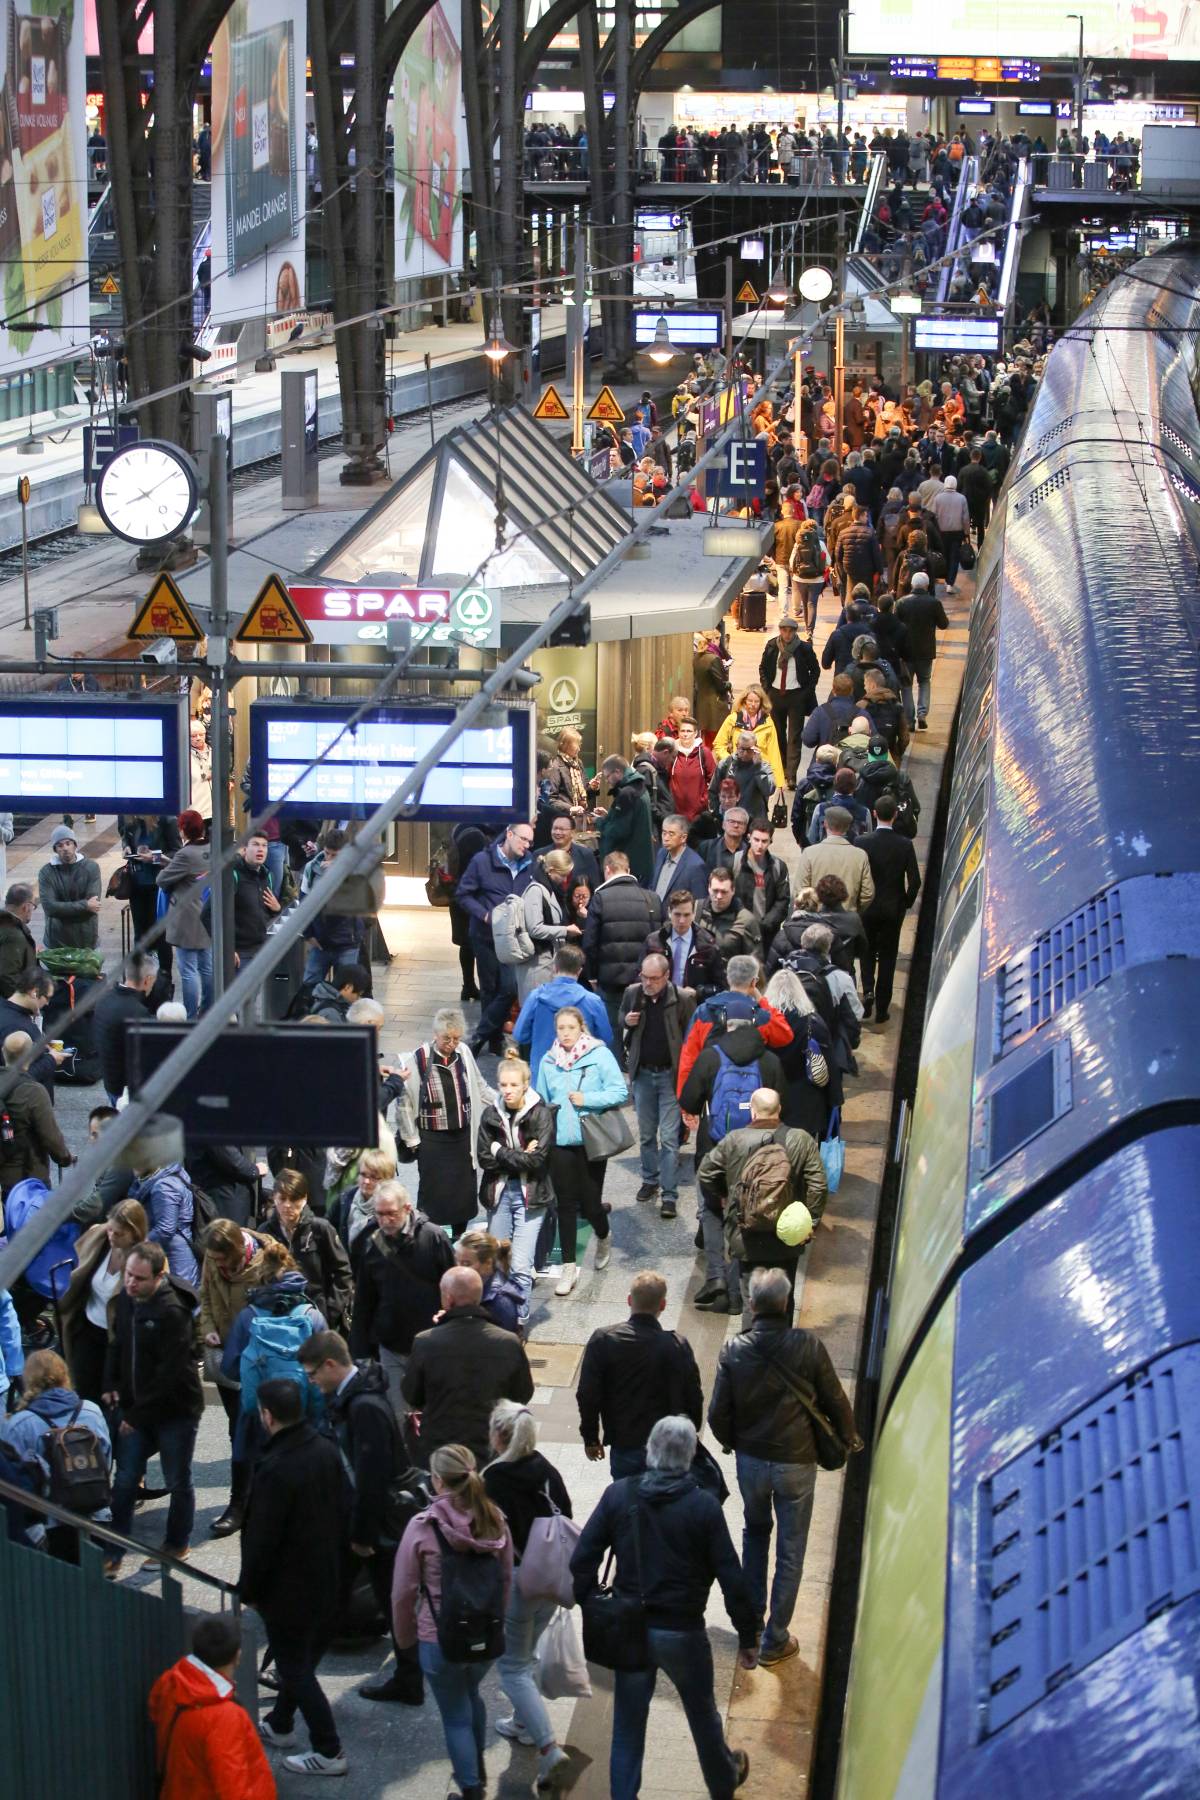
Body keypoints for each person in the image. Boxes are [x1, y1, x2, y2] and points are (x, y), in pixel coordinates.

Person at [571, 1415, 758, 1800]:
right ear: (690, 1456)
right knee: (703, 1715)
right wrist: (748, 1634)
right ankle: (723, 1783)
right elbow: (731, 1577)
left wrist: (589, 1599)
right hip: (683, 1632)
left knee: (627, 1725)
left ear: (650, 1451)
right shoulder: (704, 1507)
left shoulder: (620, 1495)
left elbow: (581, 1558)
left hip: (630, 1629)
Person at [708, 1266, 859, 1666]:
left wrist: (734, 1443)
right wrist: (850, 1436)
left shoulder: (734, 1350)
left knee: (755, 1534)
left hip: (752, 1464)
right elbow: (835, 1399)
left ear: (753, 1304)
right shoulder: (807, 1346)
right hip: (797, 1463)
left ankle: (752, 1624)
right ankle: (776, 1641)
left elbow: (717, 1414)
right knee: (791, 1552)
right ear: (786, 1303)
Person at [299, 1329, 424, 1705]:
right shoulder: (362, 1397)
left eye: (312, 1373)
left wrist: (363, 1533)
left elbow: (372, 1474)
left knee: (380, 1600)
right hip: (369, 1521)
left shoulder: (362, 1406)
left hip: (373, 1525)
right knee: (380, 1600)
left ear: (331, 1365)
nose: (311, 1382)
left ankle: (297, 1674)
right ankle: (406, 1676)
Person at [239, 1377, 351, 1779]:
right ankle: (281, 1723)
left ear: (267, 1416)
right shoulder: (325, 1448)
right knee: (298, 1660)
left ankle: (329, 1748)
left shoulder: (276, 1467)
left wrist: (248, 1589)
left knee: (293, 1667)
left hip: (288, 1588)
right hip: (327, 1577)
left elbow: (261, 1538)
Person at [392, 1442, 514, 1800]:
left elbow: (402, 1592)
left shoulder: (422, 1526)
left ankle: (471, 1789)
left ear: (438, 1481)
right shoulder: (495, 1519)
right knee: (472, 1696)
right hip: (486, 1636)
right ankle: (476, 1772)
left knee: (455, 1716)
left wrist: (405, 1639)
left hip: (438, 1637)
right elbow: (506, 1579)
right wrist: (497, 1622)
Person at [483, 1401, 573, 1786]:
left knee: (512, 1667)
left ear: (498, 1436)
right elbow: (566, 1513)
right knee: (528, 1653)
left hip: (517, 1580)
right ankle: (522, 1722)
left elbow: (483, 1537)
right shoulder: (547, 1470)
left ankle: (549, 1748)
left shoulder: (492, 1479)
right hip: (551, 1578)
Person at [103, 1241, 203, 1575]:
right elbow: (117, 1344)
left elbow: (169, 1375)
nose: (130, 1283)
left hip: (175, 1410)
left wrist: (135, 1416)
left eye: (139, 1278)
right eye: (128, 1275)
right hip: (137, 1406)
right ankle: (113, 1548)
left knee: (178, 1480)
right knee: (126, 1478)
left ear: (159, 1277)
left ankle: (177, 1543)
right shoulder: (127, 1300)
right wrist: (111, 1384)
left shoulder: (172, 1311)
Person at [697, 1087, 827, 1324]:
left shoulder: (734, 1140)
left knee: (752, 1301)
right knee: (784, 1299)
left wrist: (724, 1196)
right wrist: (811, 1222)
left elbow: (706, 1172)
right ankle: (782, 1351)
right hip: (787, 1235)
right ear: (779, 1109)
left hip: (746, 1233)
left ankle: (752, 1350)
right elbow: (818, 1185)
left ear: (753, 1112)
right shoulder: (800, 1139)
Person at [402, 1266, 534, 1465]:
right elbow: (523, 1394)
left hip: (442, 1454)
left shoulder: (426, 1342)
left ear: (448, 1298)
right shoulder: (508, 1342)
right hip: (491, 1451)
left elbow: (412, 1395)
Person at [577, 1271, 703, 1478]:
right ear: (662, 1305)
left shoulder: (603, 1340)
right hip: (668, 1445)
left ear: (629, 1300)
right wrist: (691, 1433)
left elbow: (587, 1394)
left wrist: (590, 1438)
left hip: (624, 1445)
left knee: (627, 1504)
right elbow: (694, 1395)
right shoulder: (677, 1345)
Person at [535, 1005, 625, 1294]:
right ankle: (569, 1268)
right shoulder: (549, 1061)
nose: (565, 1034)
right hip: (559, 1144)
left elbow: (619, 1091)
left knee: (590, 1204)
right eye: (560, 1028)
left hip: (590, 1140)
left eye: (570, 1028)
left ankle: (604, 1234)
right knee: (565, 1205)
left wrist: (588, 1098)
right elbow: (541, 1101)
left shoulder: (599, 1055)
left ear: (581, 1028)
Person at [350, 1182, 455, 1424]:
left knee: (433, 1418)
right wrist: (360, 1353)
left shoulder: (433, 1237)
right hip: (391, 1348)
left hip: (430, 1346)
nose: (385, 1220)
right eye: (380, 1214)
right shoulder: (372, 1244)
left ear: (407, 1208)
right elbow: (364, 1302)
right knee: (400, 1420)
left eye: (391, 1213)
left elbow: (452, 1284)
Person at [148, 1614, 275, 1800]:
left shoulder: (171, 1681)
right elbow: (234, 1787)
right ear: (237, 1655)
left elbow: (154, 1710)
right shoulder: (225, 1717)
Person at [0, 1348, 112, 1557]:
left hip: (51, 1524)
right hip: (97, 1516)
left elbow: (13, 1482)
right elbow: (105, 1458)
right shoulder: (91, 1411)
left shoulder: (19, 1424)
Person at [394, 1008, 495, 1233]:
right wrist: (412, 1141)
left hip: (462, 1137)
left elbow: (479, 1086)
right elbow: (405, 1104)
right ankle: (430, 1238)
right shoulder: (418, 1058)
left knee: (463, 1192)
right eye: (446, 1038)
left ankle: (459, 1237)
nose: (451, 1043)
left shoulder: (464, 1053)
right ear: (435, 1035)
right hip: (432, 1141)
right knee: (433, 1193)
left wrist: (502, 1102)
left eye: (456, 1038)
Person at [476, 1052, 555, 1322]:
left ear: (525, 1084)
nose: (507, 1091)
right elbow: (484, 1158)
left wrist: (500, 1150)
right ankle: (500, 1316)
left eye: (513, 1085)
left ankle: (518, 1320)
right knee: (497, 1262)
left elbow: (537, 1161)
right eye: (503, 1085)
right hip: (498, 1195)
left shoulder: (541, 1114)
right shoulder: (490, 1114)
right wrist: (518, 1153)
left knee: (520, 1264)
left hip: (531, 1196)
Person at [452, 821, 537, 1056]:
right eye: (523, 839)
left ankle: (479, 1037)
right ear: (509, 835)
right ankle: (495, 1038)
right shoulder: (482, 861)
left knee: (509, 987)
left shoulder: (529, 863)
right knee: (490, 987)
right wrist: (485, 915)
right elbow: (463, 894)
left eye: (530, 841)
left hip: (513, 937)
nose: (527, 845)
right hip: (485, 935)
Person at [622, 955, 695, 1221]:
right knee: (645, 1135)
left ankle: (669, 1194)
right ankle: (649, 1180)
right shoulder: (633, 993)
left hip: (669, 1077)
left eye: (653, 978)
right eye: (644, 977)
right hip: (643, 1074)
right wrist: (626, 1022)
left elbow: (692, 1036)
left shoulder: (683, 999)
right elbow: (621, 1018)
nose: (647, 983)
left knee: (669, 1138)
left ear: (666, 977)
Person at [58, 1197, 149, 1404]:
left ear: (134, 1233)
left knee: (111, 1401)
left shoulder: (145, 1259)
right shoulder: (99, 1239)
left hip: (116, 1340)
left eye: (119, 1233)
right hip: (87, 1330)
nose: (112, 1236)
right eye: (110, 1229)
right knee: (82, 1395)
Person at [581, 851, 663, 1048]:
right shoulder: (652, 898)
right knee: (644, 1031)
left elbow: (590, 943)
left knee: (611, 1034)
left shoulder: (600, 898)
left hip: (610, 981)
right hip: (645, 979)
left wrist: (592, 976)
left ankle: (616, 1073)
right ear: (628, 870)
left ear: (607, 870)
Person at [260, 1167, 352, 1333]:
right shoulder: (265, 1232)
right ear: (274, 1198)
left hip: (316, 1315)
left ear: (304, 1199)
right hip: (278, 1318)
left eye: (294, 1199)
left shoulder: (320, 1229)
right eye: (283, 1199)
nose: (288, 1205)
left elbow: (343, 1273)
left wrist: (330, 1313)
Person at [859, 793, 922, 1024]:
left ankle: (867, 991)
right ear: (895, 815)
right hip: (892, 911)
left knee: (866, 952)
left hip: (867, 908)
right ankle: (883, 1008)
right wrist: (905, 901)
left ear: (874, 814)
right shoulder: (905, 845)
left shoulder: (862, 842)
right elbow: (915, 881)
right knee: (887, 957)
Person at [511, 943, 612, 1074]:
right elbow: (605, 1039)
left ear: (555, 968)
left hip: (543, 1076)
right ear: (579, 971)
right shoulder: (593, 1001)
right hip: (581, 1078)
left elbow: (519, 1035)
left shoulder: (536, 997)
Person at [0, 1031, 71, 1198]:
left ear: (3, 1051)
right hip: (26, 1179)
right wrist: (65, 1158)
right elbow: (50, 1137)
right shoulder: (33, 1092)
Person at [763, 967, 832, 1140]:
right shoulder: (813, 1022)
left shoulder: (762, 1023)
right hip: (806, 1103)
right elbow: (828, 1063)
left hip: (768, 1100)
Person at [201, 831, 281, 974]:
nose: (260, 849)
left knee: (253, 996)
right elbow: (207, 915)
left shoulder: (267, 876)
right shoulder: (232, 876)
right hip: (239, 955)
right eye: (255, 845)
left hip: (260, 952)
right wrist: (227, 948)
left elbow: (261, 914)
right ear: (244, 850)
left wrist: (276, 909)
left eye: (264, 846)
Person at [156, 812, 211, 1018]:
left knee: (188, 970)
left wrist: (167, 864)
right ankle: (207, 1009)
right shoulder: (210, 849)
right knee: (207, 968)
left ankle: (190, 1014)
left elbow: (162, 880)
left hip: (187, 919)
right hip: (208, 915)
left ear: (182, 830)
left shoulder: (185, 855)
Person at [127, 1134, 198, 1285]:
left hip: (175, 1256)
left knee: (181, 1297)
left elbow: (166, 1229)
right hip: (167, 1252)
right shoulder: (154, 1178)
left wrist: (138, 1245)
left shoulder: (164, 1186)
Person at [759, 618, 819, 788]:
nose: (787, 634)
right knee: (777, 734)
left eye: (790, 631)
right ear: (780, 631)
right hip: (776, 695)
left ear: (794, 632)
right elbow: (763, 667)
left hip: (796, 696)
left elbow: (815, 670)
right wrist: (767, 688)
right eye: (784, 630)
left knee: (794, 736)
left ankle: (791, 774)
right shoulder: (772, 646)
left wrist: (807, 691)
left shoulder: (804, 648)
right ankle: (782, 767)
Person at [94, 949, 158, 1104]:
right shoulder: (137, 1012)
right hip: (126, 1090)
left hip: (110, 1081)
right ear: (147, 980)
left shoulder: (105, 1000)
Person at [643, 888, 726, 1004]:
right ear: (669, 913)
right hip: (660, 1005)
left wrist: (699, 992)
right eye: (677, 914)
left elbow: (721, 986)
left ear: (693, 914)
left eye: (686, 915)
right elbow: (639, 976)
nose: (682, 920)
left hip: (693, 1006)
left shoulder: (708, 945)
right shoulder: (654, 941)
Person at [895, 573, 950, 729]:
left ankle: (909, 720)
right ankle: (922, 714)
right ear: (927, 586)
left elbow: (895, 625)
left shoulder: (901, 603)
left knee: (906, 685)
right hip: (926, 650)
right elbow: (944, 624)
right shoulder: (934, 603)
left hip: (906, 652)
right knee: (924, 682)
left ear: (912, 585)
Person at [796, 808, 875, 914]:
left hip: (816, 919)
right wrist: (853, 910)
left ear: (825, 824)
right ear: (847, 827)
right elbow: (868, 893)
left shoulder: (809, 853)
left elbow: (800, 889)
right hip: (847, 921)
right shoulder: (860, 855)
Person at [732, 822, 791, 956]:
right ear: (749, 838)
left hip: (767, 933)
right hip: (740, 929)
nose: (760, 845)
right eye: (756, 840)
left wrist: (765, 925)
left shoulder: (777, 866)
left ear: (770, 841)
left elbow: (782, 900)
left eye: (764, 841)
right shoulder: (736, 862)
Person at [38, 825, 101, 950]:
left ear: (75, 845)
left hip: (86, 940)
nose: (65, 848)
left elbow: (93, 906)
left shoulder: (91, 868)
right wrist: (84, 905)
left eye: (68, 843)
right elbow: (50, 908)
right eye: (60, 845)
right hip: (57, 941)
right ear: (55, 849)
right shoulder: (46, 872)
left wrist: (62, 909)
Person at [595, 755, 655, 885]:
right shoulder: (639, 786)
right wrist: (609, 816)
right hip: (642, 862)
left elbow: (618, 831)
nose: (607, 781)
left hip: (630, 864)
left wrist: (599, 823)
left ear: (617, 772)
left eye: (607, 776)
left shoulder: (627, 793)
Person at [712, 687, 785, 792]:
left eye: (756, 701)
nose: (753, 704)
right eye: (750, 701)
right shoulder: (732, 719)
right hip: (737, 770)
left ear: (761, 703)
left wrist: (778, 781)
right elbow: (719, 744)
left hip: (759, 770)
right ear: (744, 701)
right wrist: (729, 760)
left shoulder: (768, 722)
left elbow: (774, 752)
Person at [455, 1230, 524, 1335]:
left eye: (466, 1263)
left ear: (487, 1263)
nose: (458, 1269)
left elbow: (504, 1344)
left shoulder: (500, 1300)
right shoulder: (473, 1284)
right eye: (457, 1261)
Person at [698, 866, 762, 962]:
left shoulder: (746, 920)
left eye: (724, 892)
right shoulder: (696, 910)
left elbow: (754, 962)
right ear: (709, 888)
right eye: (715, 891)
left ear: (733, 890)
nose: (719, 896)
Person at [710, 729, 777, 819]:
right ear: (737, 746)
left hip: (754, 821)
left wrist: (758, 767)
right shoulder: (726, 764)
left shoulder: (763, 766)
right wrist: (717, 814)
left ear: (756, 748)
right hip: (730, 819)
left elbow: (768, 790)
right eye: (742, 749)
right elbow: (713, 791)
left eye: (749, 749)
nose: (745, 753)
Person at [650, 814, 709, 904]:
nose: (666, 838)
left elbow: (699, 902)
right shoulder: (661, 853)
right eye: (664, 833)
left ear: (683, 837)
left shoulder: (696, 866)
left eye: (671, 834)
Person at [667, 719, 717, 824]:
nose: (685, 734)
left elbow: (714, 780)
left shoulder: (704, 752)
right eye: (682, 731)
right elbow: (664, 778)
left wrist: (704, 800)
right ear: (678, 733)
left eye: (689, 731)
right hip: (675, 812)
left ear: (695, 734)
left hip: (698, 814)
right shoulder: (671, 752)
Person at [929, 473, 970, 585]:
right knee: (954, 557)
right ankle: (950, 581)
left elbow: (933, 515)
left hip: (941, 532)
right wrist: (966, 532)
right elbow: (965, 517)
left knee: (945, 555)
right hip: (957, 532)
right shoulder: (962, 498)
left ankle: (945, 575)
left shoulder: (938, 498)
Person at [0, 883, 38, 997]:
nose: (32, 910)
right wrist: (23, 1003)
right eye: (33, 906)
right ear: (26, 907)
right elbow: (7, 976)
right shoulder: (14, 935)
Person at [703, 806, 750, 875]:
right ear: (723, 825)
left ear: (745, 828)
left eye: (740, 823)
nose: (736, 825)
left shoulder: (750, 851)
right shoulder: (707, 847)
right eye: (732, 821)